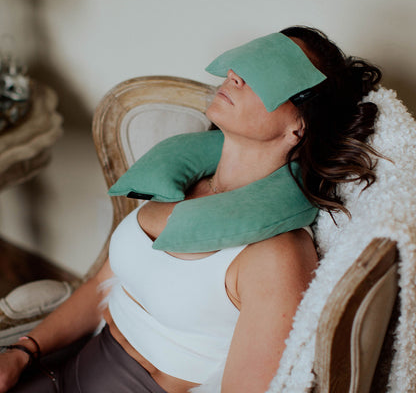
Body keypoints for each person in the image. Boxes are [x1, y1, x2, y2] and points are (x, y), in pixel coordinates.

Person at [0, 26, 381, 393]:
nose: (234, 74)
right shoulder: (178, 182)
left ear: (299, 126)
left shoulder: (277, 255)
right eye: (245, 61)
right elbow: (100, 287)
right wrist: (22, 352)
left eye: (266, 71)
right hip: (66, 363)